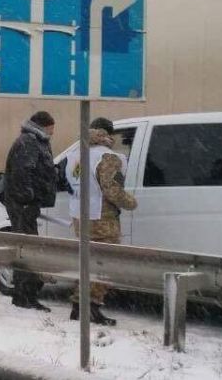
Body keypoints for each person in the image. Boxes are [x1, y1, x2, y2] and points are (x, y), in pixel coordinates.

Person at [64, 117, 137, 326]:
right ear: (109, 134)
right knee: (103, 262)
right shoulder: (107, 156)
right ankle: (91, 307)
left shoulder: (76, 154)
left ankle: (78, 307)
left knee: (86, 261)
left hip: (79, 216)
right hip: (101, 217)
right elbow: (112, 189)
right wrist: (131, 202)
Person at [2, 111, 58, 311]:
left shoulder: (37, 141)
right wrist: (27, 198)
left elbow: (41, 171)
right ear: (42, 126)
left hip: (27, 205)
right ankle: (24, 295)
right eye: (51, 128)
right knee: (26, 249)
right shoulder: (29, 142)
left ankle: (26, 294)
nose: (53, 132)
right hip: (23, 205)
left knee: (28, 247)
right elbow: (22, 173)